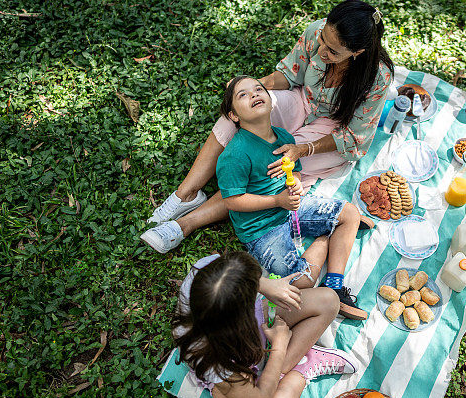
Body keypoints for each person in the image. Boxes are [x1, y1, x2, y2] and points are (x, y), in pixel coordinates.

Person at [141, 0, 394, 248]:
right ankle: (185, 193)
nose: (321, 50)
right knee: (235, 115)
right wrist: (249, 91)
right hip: (302, 100)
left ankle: (184, 225)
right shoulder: (317, 31)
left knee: (271, 165)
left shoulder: (377, 77)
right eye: (322, 41)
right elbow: (287, 75)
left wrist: (302, 150)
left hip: (331, 134)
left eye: (332, 51)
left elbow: (354, 137)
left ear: (357, 52)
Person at [147, 76, 367, 319]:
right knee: (298, 285)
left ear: (271, 102)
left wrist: (293, 189)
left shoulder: (285, 138)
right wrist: (277, 201)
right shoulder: (235, 155)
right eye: (242, 95)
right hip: (262, 231)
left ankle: (334, 283)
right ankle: (325, 240)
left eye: (258, 89)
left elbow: (293, 172)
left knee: (350, 213)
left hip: (291, 208)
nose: (253, 95)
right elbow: (232, 201)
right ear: (233, 116)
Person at [172, 252, 358, 398]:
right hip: (233, 366)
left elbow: (235, 277)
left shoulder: (206, 271)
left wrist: (268, 286)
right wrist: (278, 347)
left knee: (328, 300)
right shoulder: (211, 361)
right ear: (242, 323)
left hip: (246, 330)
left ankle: (280, 371)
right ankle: (296, 373)